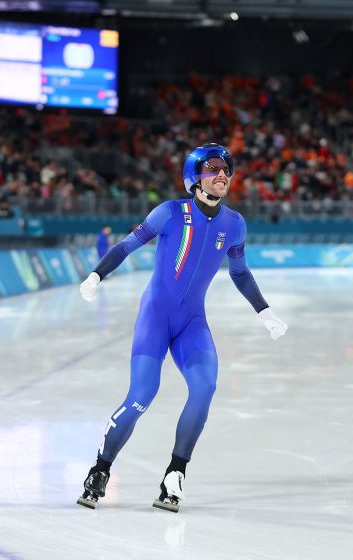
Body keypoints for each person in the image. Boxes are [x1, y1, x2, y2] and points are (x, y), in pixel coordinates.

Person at [76, 143, 288, 512]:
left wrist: (264, 312)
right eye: (213, 169)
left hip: (192, 321)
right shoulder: (170, 212)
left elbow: (240, 273)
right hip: (156, 317)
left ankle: (176, 472)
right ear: (195, 178)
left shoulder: (234, 224)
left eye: (226, 169)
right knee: (142, 395)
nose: (222, 175)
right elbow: (126, 246)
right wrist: (96, 275)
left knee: (205, 387)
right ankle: (101, 468)